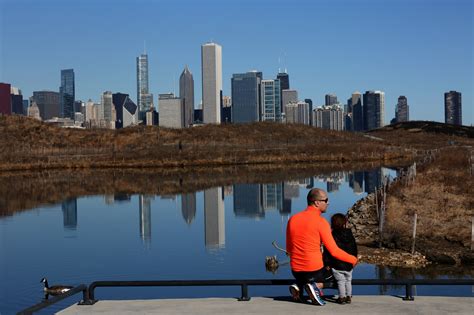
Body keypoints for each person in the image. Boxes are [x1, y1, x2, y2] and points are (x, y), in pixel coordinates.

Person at [286, 188, 357, 305]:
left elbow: (289, 249)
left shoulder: (293, 219)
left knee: (304, 275)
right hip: (314, 271)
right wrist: (353, 259)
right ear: (317, 202)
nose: (328, 203)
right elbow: (334, 251)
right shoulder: (321, 222)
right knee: (341, 274)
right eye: (326, 200)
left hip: (296, 271)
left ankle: (299, 285)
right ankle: (315, 286)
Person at [323, 213, 358, 304]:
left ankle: (342, 297)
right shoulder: (350, 235)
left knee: (340, 281)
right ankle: (348, 296)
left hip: (336, 264)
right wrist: (353, 259)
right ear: (345, 223)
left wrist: (327, 263)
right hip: (349, 264)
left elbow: (327, 251)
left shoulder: (332, 235)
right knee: (348, 280)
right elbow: (354, 249)